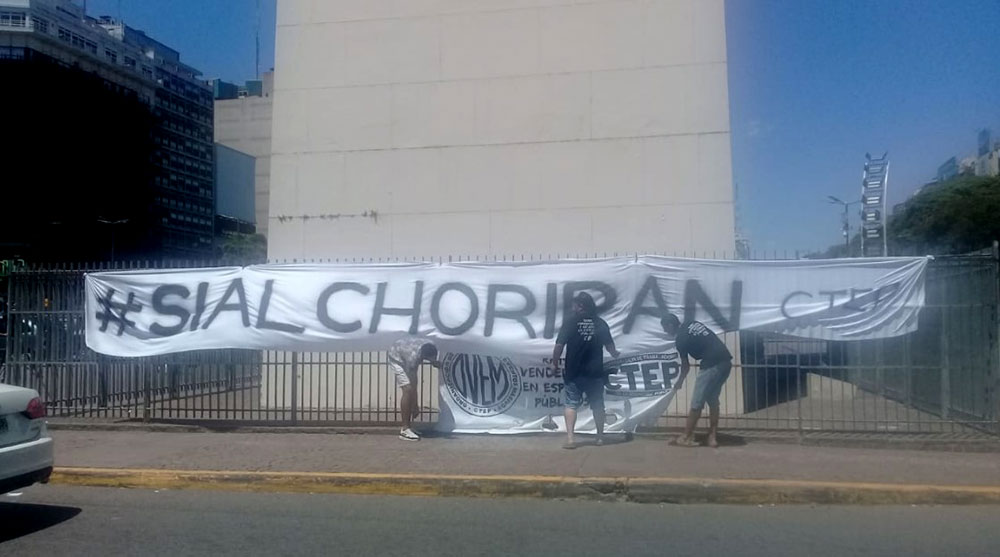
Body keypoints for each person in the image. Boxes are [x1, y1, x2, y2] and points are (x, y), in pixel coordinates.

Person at [553, 292, 620, 449]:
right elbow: (610, 347)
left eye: (575, 305)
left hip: (573, 371)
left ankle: (570, 439)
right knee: (597, 405)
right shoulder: (600, 323)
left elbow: (558, 346)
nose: (573, 307)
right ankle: (600, 437)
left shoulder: (570, 323)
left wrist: (554, 363)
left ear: (580, 306)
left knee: (571, 404)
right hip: (595, 373)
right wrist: (615, 353)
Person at [661, 314, 732, 448]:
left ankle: (686, 437)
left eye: (665, 328)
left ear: (670, 325)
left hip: (711, 364)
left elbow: (685, 366)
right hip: (726, 362)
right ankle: (712, 436)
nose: (665, 331)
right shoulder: (691, 323)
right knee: (712, 399)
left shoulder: (680, 340)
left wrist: (679, 382)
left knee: (696, 403)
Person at [387, 337, 441, 441]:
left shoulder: (431, 345)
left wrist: (434, 362)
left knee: (411, 388)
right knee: (407, 389)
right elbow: (413, 380)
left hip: (403, 347)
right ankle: (405, 429)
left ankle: (409, 427)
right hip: (396, 358)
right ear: (422, 356)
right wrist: (415, 405)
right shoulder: (413, 357)